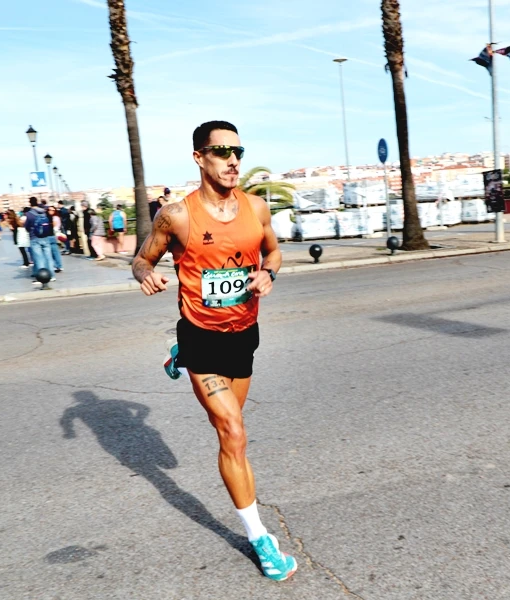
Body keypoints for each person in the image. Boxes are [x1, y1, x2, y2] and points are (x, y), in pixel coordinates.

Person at [131, 121, 292, 581]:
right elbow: (143, 257)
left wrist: (269, 274)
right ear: (199, 157)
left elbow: (275, 252)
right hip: (201, 333)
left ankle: (175, 355)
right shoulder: (176, 216)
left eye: (237, 150)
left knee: (233, 429)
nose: (233, 159)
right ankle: (260, 538)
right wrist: (145, 274)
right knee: (233, 431)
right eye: (221, 151)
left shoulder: (256, 208)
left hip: (243, 333)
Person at [24, 197, 56, 284]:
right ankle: (52, 276)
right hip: (45, 237)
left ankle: (41, 278)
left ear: (30, 203)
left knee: (39, 259)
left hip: (35, 238)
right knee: (48, 257)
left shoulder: (29, 214)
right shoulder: (43, 211)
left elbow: (26, 227)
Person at [46, 205, 65, 273]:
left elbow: (55, 227)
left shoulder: (54, 218)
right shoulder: (52, 217)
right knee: (55, 252)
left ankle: (57, 265)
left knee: (54, 252)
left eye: (52, 210)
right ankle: (58, 266)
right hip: (53, 235)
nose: (51, 211)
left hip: (53, 235)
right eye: (49, 210)